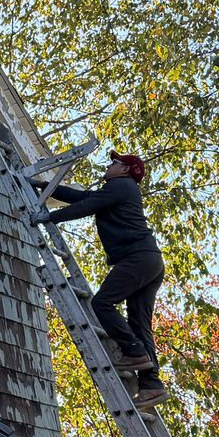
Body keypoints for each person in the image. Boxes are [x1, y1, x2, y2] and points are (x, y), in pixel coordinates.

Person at [38, 151, 167, 406]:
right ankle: (151, 384)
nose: (109, 165)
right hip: (150, 260)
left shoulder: (121, 185)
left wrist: (49, 217)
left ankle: (134, 351)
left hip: (137, 257)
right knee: (140, 323)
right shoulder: (120, 189)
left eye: (115, 163)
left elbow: (86, 207)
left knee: (102, 304)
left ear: (126, 170)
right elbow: (83, 197)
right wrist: (46, 187)